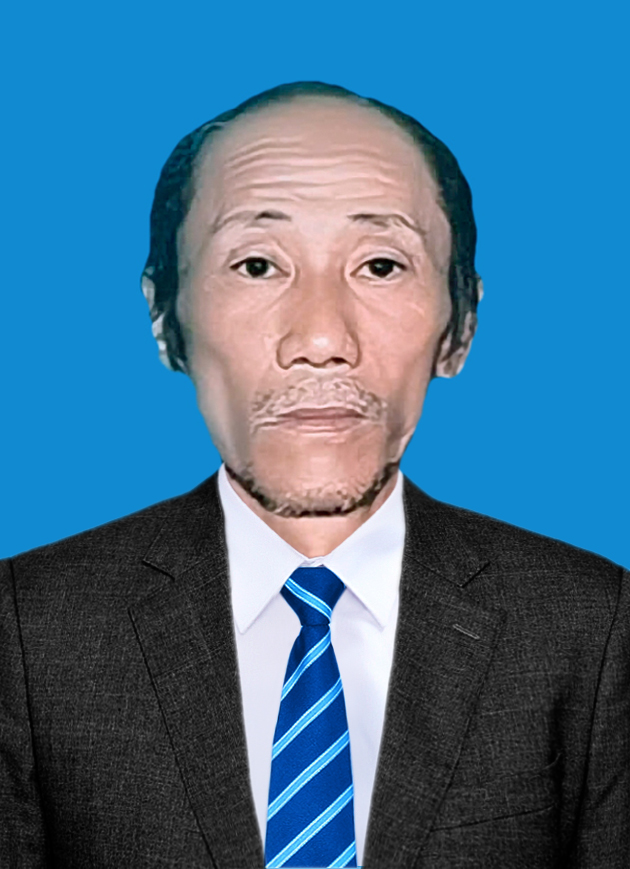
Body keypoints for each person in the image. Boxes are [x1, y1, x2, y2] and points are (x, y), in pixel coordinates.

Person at [0, 82, 628, 869]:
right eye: (257, 264)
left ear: (461, 325)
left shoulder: (593, 625)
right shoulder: (26, 628)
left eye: (381, 265)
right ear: (164, 319)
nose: (323, 338)